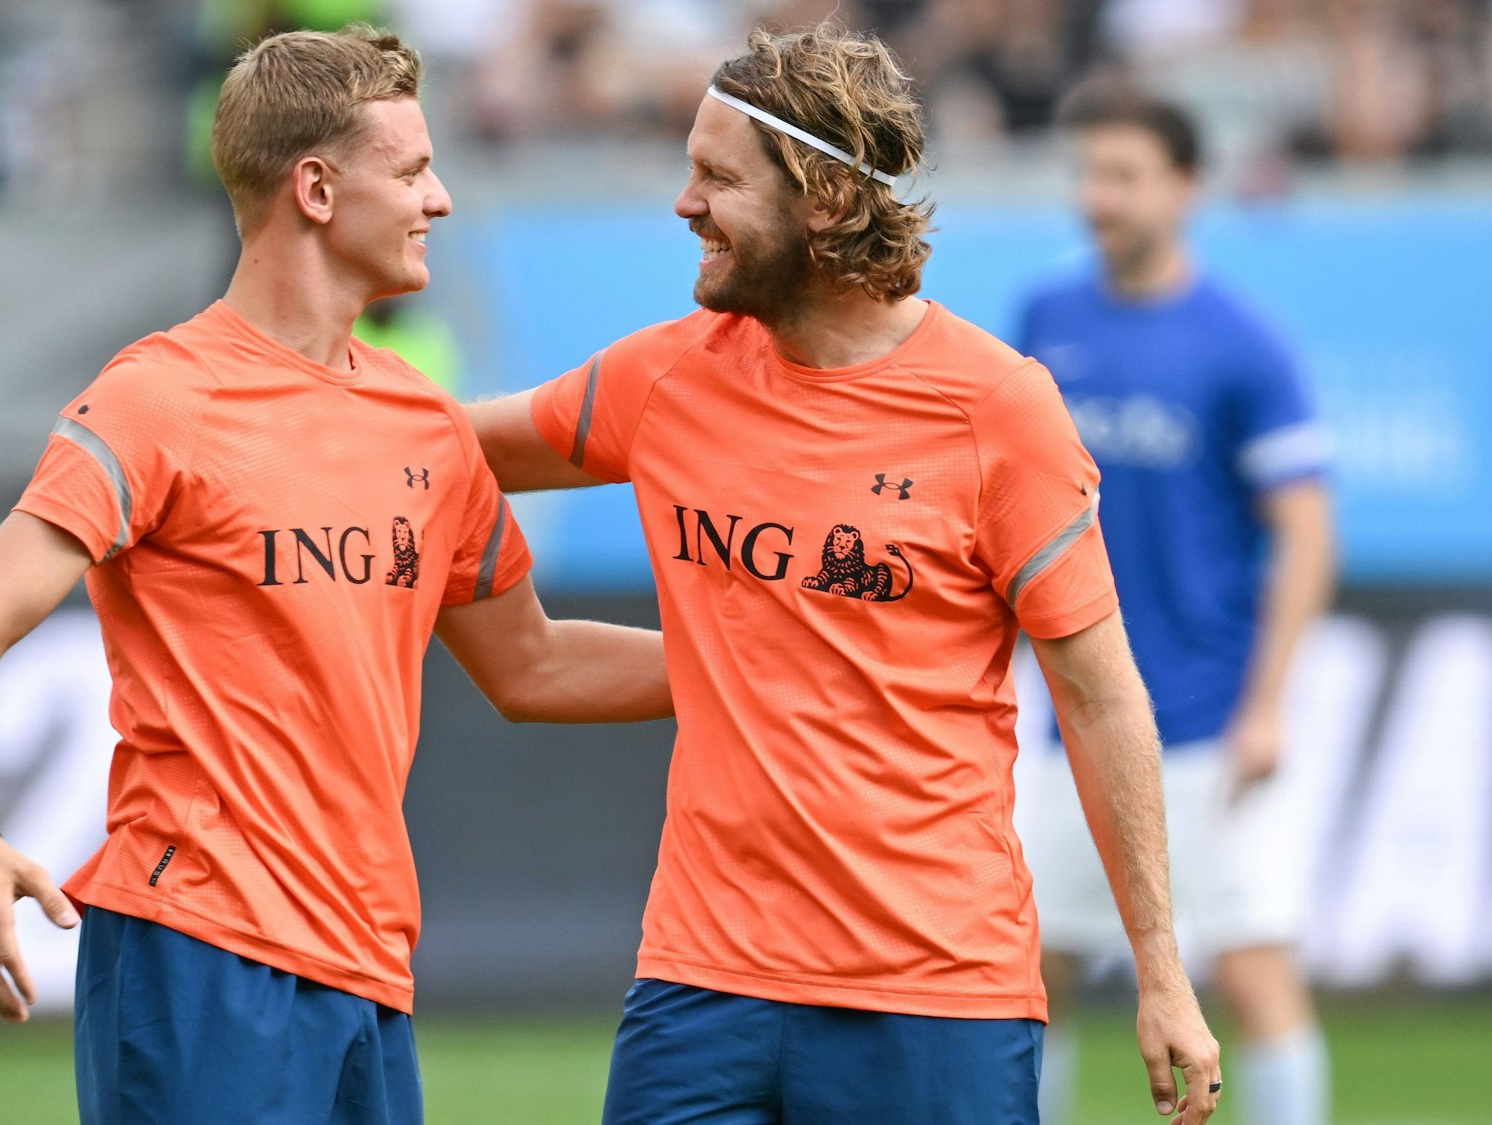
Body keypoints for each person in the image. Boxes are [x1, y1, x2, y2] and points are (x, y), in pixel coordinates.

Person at [0, 26, 672, 1124]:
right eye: (410, 171)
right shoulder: (159, 398)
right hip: (195, 954)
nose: (440, 199)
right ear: (314, 189)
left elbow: (533, 664)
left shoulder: (423, 421)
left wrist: (756, 660)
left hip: (369, 962)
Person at [469, 22, 1222, 1125]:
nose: (683, 204)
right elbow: (437, 451)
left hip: (935, 999)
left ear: (822, 198)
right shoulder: (664, 378)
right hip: (699, 985)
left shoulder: (997, 410)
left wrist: (1160, 971)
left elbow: (1103, 700)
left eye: (716, 177)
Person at [1014, 85, 1337, 1125]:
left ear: (1185, 187)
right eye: (1085, 172)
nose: (1094, 196)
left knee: (1249, 974)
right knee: (1030, 975)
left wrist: (1266, 706)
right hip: (1072, 721)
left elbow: (1305, 531)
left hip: (1200, 717)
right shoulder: (1044, 319)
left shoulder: (1241, 342)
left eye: (1121, 174)